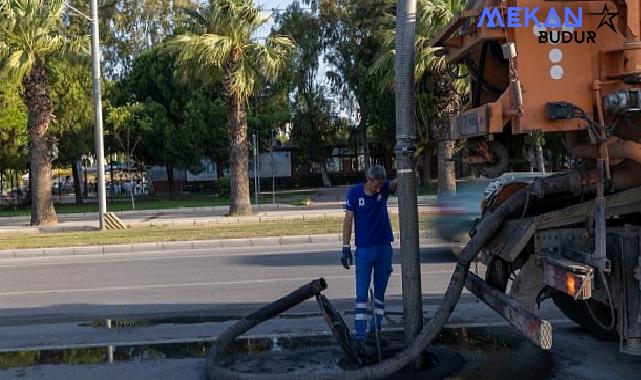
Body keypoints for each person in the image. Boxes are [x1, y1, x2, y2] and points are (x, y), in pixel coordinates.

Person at [342, 165, 398, 344]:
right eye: (376, 185)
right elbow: (348, 220)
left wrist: (407, 171)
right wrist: (345, 247)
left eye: (381, 184)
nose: (379, 188)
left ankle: (375, 330)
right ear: (369, 180)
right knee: (361, 295)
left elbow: (396, 184)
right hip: (364, 251)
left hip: (384, 249)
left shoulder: (384, 189)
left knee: (380, 294)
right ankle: (360, 334)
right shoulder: (354, 193)